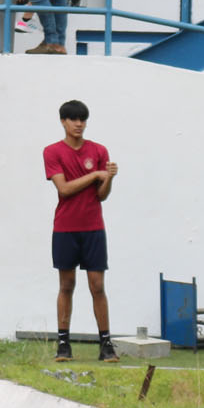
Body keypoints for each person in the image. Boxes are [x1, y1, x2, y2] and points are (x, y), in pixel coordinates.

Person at [44, 99, 119, 361]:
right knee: (67, 284)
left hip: (93, 227)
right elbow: (63, 189)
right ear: (63, 121)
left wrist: (107, 178)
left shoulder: (99, 150)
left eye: (83, 119)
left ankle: (106, 345)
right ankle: (63, 344)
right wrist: (95, 175)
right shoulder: (52, 152)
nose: (79, 124)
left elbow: (102, 195)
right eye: (73, 119)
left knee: (97, 285)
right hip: (65, 228)